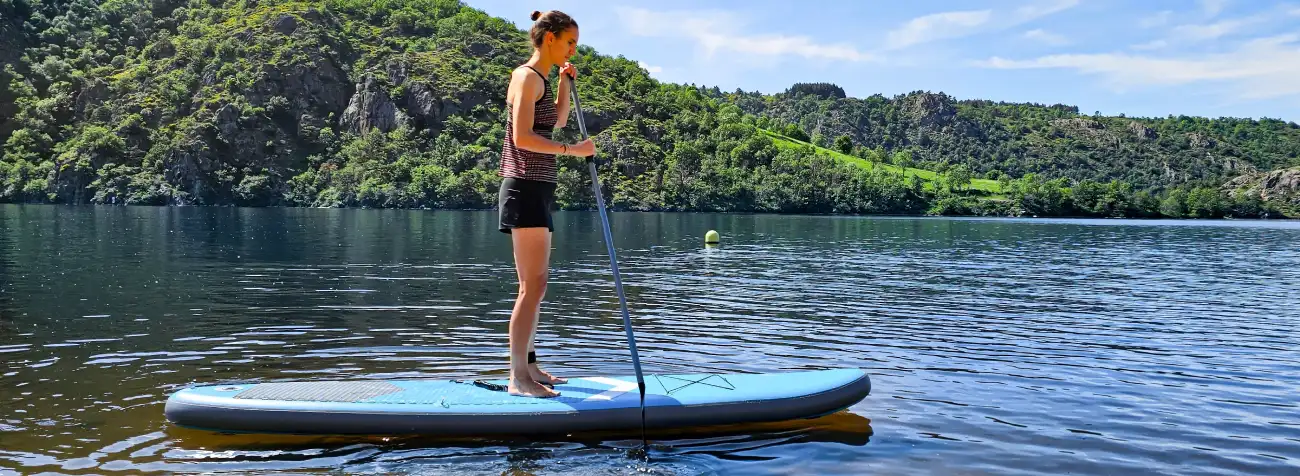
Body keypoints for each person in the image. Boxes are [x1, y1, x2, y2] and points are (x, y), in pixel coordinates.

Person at [497, 9, 595, 398]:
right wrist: (574, 150)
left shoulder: (541, 79)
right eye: (570, 41)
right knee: (531, 286)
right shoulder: (524, 77)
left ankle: (530, 365)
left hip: (538, 187)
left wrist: (564, 85)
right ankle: (517, 378)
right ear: (549, 37)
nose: (573, 49)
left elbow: (553, 120)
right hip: (522, 186)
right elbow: (522, 137)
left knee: (537, 284)